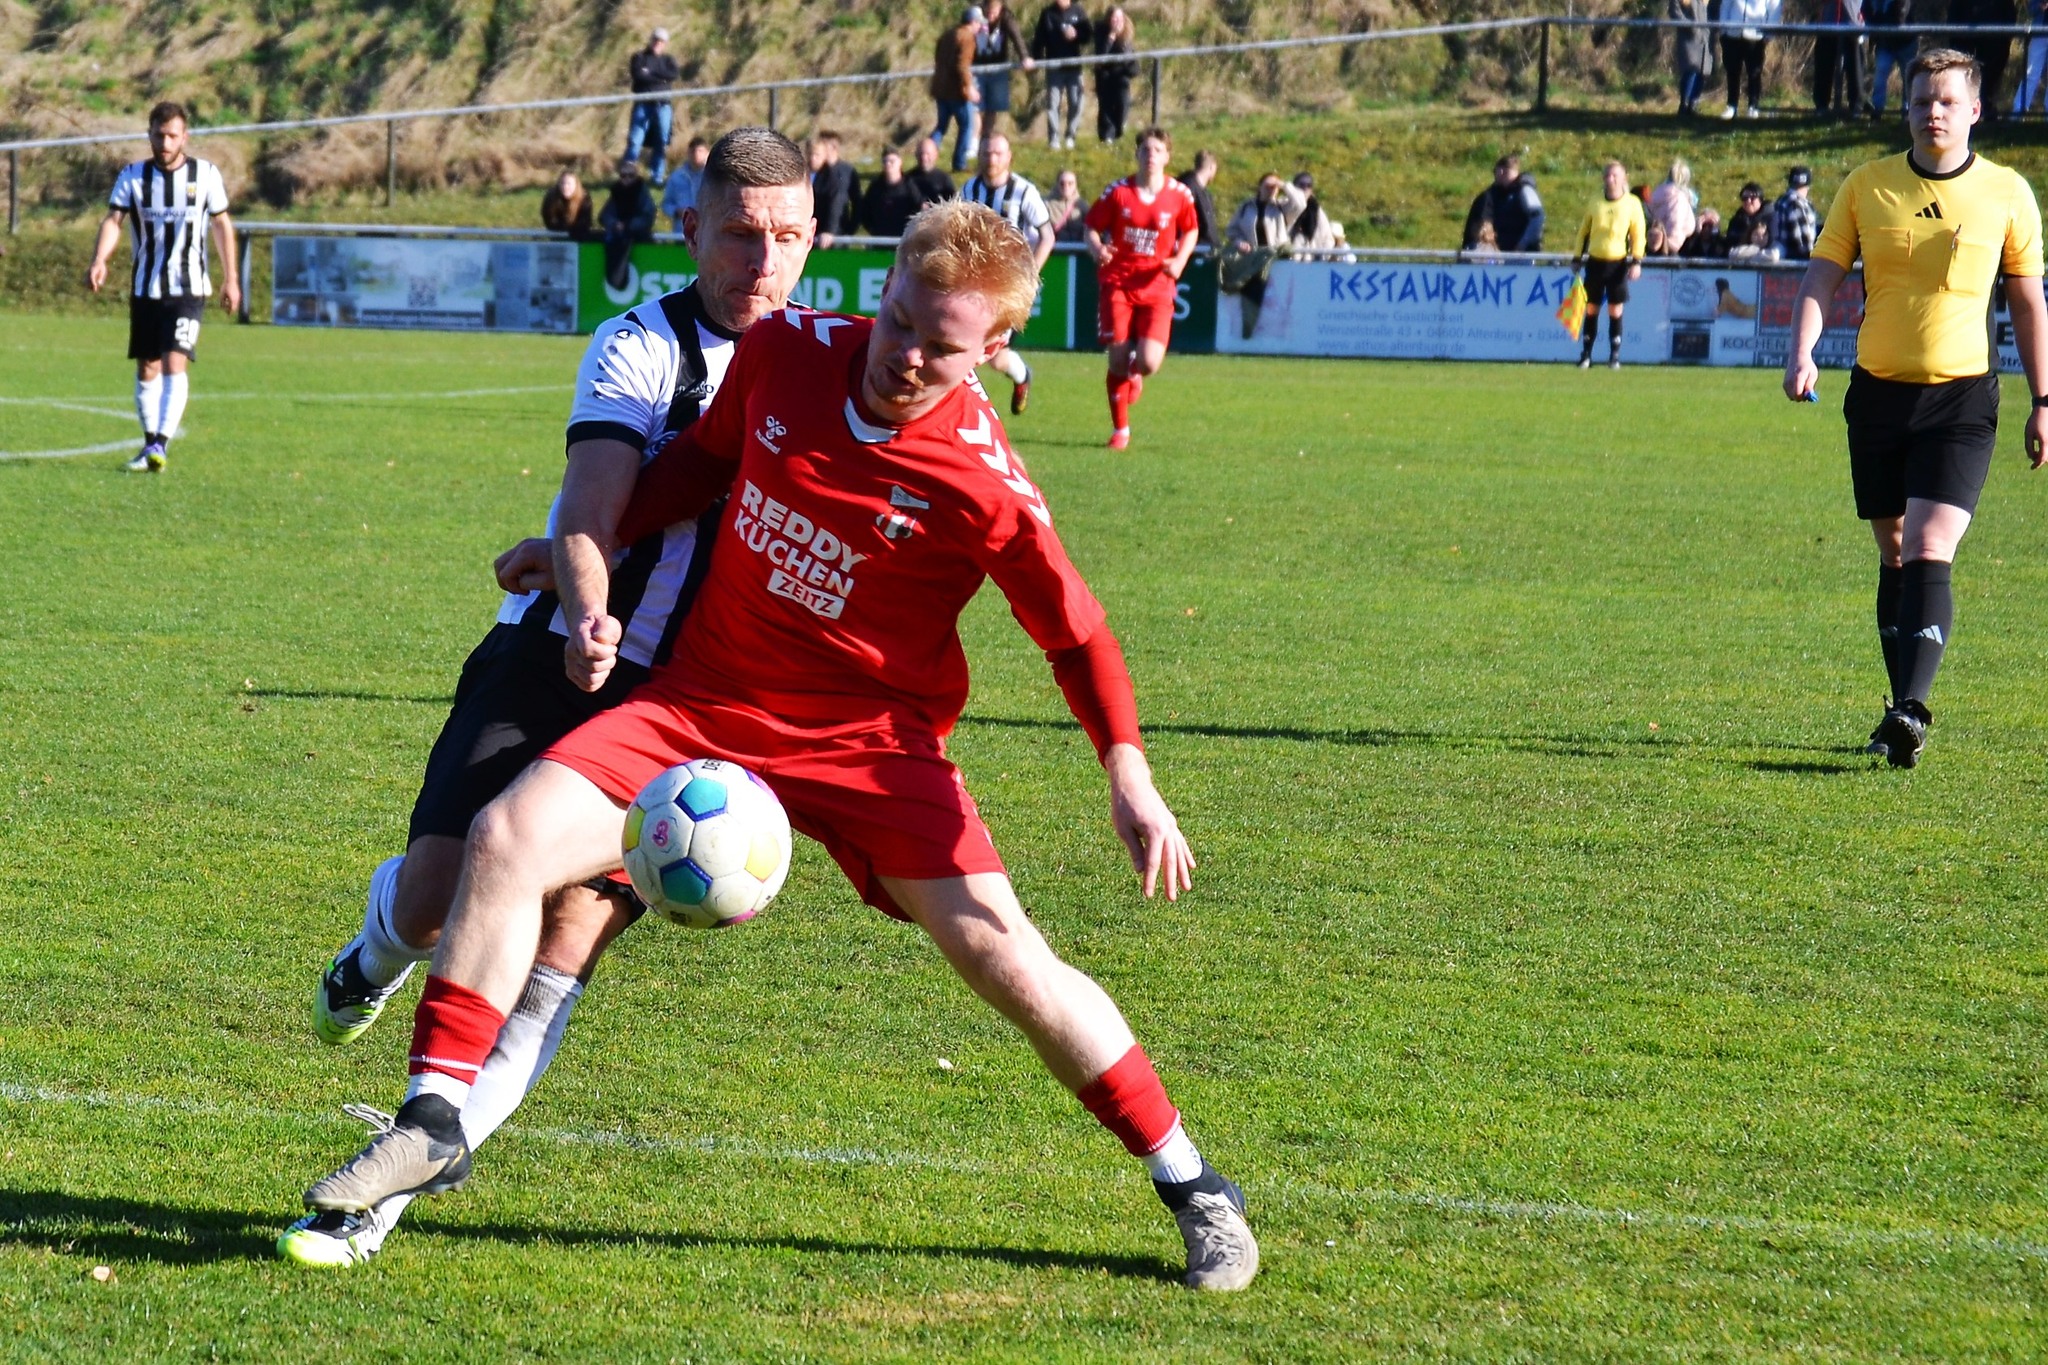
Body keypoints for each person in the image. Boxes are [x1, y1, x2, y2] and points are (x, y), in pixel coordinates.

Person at [293, 198, 1260, 1295]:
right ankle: (431, 1118)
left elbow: (1076, 636)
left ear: (993, 349)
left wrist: (1128, 774)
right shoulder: (785, 351)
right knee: (506, 836)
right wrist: (581, 549)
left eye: (940, 347)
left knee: (1010, 963)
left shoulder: (985, 486)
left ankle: (1194, 1185)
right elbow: (699, 467)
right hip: (704, 704)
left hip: (871, 744)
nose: (903, 356)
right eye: (899, 321)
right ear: (882, 289)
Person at [277, 127, 819, 1270]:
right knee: (438, 894)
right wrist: (587, 608)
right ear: (689, 230)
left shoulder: (827, 361)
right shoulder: (641, 345)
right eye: (738, 234)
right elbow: (591, 503)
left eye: (784, 237)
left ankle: (379, 1199)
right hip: (557, 652)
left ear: (812, 239)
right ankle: (374, 948)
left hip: (688, 704)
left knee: (567, 931)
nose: (761, 260)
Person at [1783, 47, 2048, 767]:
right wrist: (1802, 350)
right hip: (1877, 396)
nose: (1934, 112)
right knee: (1895, 550)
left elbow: (2028, 301)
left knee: (1931, 546)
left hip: (1961, 398)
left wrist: (2042, 398)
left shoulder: (2006, 193)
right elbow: (1822, 275)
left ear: (1975, 111)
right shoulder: (1868, 185)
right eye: (1922, 100)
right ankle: (1900, 709)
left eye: (1948, 101)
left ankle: (1912, 708)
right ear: (1906, 109)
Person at [86, 100, 239, 475]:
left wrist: (231, 278)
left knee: (174, 361)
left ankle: (160, 444)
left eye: (172, 136)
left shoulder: (205, 175)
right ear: (149, 135)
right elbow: (114, 220)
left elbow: (221, 224)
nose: (165, 143)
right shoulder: (133, 176)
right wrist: (100, 258)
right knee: (147, 367)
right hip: (146, 288)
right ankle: (150, 443)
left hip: (188, 288)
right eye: (159, 135)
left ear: (185, 137)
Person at [1085, 126, 1199, 449]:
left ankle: (1136, 370)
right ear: (1137, 154)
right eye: (1145, 149)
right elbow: (1091, 227)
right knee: (1117, 360)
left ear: (1167, 157)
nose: (1151, 155)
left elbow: (1191, 230)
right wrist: (1097, 249)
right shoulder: (1118, 192)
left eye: (1157, 150)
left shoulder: (1179, 194)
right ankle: (1120, 430)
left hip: (1157, 284)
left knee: (1149, 363)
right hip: (1118, 282)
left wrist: (1180, 260)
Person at [962, 132, 1055, 413]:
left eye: (997, 153)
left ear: (1009, 157)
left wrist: (1030, 275)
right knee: (966, 346)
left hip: (1009, 287)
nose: (992, 159)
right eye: (987, 153)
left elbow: (1047, 236)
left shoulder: (1024, 191)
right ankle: (961, 409)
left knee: (994, 357)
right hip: (976, 283)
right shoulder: (969, 189)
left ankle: (1022, 377)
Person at [1572, 160, 1646, 370]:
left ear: (1624, 178)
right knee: (1591, 308)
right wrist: (1577, 257)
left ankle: (1614, 355)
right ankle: (1586, 355)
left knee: (1615, 309)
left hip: (1618, 263)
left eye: (1615, 175)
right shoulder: (1596, 201)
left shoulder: (1632, 203)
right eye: (1607, 175)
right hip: (1595, 261)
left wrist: (1636, 261)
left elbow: (1638, 234)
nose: (1610, 179)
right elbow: (1584, 231)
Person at [1223, 172, 1308, 338]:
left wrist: (1284, 185)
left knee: (1274, 296)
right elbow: (1232, 230)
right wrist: (1239, 242)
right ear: (1259, 187)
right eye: (1268, 186)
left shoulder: (1282, 207)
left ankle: (1271, 334)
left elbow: (1301, 203)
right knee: (1249, 292)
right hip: (1252, 257)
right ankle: (1247, 332)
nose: (1271, 190)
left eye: (1274, 188)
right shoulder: (1246, 207)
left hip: (1275, 258)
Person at [1032, 0, 1093, 150]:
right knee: (1053, 104)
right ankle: (1054, 138)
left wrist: (1076, 35)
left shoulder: (1078, 11)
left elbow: (1088, 35)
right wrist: (1036, 60)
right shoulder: (1047, 13)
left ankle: (1070, 135)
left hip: (1074, 67)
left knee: (1077, 102)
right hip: (1054, 67)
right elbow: (1039, 39)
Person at [932, 7, 985, 175]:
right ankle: (959, 163)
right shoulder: (967, 37)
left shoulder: (948, 34)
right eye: (979, 23)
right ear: (973, 22)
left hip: (940, 88)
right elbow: (962, 65)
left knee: (941, 127)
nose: (980, 27)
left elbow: (938, 57)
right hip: (956, 91)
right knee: (967, 126)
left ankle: (926, 155)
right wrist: (969, 88)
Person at [624, 28, 680, 181]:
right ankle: (627, 175)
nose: (657, 43)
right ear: (651, 40)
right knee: (635, 140)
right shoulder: (639, 57)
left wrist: (650, 72)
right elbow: (638, 75)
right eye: (655, 40)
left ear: (665, 44)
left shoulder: (668, 60)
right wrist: (661, 77)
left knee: (661, 140)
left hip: (663, 105)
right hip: (643, 105)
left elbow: (673, 75)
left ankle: (657, 176)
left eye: (661, 41)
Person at [975, 0, 1033, 144]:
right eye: (988, 13)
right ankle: (974, 141)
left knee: (993, 106)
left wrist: (1024, 56)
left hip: (998, 68)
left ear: (1000, 9)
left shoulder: (1006, 17)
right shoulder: (976, 14)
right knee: (975, 107)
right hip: (977, 67)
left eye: (994, 13)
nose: (991, 16)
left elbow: (1016, 37)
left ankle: (986, 138)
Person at [1461, 155, 1545, 254]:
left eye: (1494, 172)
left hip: (1521, 255)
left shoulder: (1524, 190)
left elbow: (1537, 217)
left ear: (1500, 171)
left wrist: (1522, 245)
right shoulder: (1505, 193)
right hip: (1511, 253)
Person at [600, 158, 658, 290]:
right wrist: (615, 224)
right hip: (617, 238)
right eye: (623, 175)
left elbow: (648, 217)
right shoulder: (616, 192)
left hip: (638, 238)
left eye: (630, 175)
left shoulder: (642, 193)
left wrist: (627, 225)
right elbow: (604, 215)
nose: (626, 179)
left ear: (636, 176)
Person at [1951, 0, 2018, 114]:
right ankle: (1964, 108)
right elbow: (1955, 11)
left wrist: (2007, 35)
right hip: (1966, 36)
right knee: (1964, 74)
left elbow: (2009, 11)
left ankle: (1986, 107)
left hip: (1995, 39)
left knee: (1990, 76)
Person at [1719, 0, 1782, 118]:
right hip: (1733, 33)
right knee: (1732, 70)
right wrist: (1724, 29)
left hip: (1756, 34)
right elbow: (1725, 5)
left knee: (1754, 72)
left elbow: (1774, 9)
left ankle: (1753, 106)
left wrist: (1769, 34)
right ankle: (1732, 105)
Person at [1814, 0, 1868, 116]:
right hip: (1828, 22)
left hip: (1852, 23)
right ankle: (1821, 106)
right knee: (1823, 66)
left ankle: (1856, 106)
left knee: (1855, 67)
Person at [808, 130, 861, 247]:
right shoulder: (817, 171)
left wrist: (846, 230)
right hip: (816, 231)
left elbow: (840, 202)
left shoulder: (843, 172)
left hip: (834, 235)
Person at [1094, 7, 1139, 143]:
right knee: (1106, 107)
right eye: (1114, 18)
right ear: (1109, 20)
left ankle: (1119, 132)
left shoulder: (1127, 36)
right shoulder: (1101, 34)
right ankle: (1107, 136)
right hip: (1105, 76)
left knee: (1122, 104)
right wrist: (1110, 38)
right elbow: (1101, 56)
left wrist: (1131, 68)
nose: (1117, 22)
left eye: (1120, 18)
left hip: (1121, 77)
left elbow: (1131, 60)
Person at [1869, 0, 1920, 111]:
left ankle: (1908, 109)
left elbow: (1902, 18)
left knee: (1909, 77)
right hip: (1885, 42)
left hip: (1907, 42)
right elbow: (1871, 11)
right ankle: (1877, 108)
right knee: (1880, 77)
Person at [860, 148, 923, 237]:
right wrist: (873, 230)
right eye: (885, 162)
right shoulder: (875, 187)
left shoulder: (910, 187)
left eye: (892, 161)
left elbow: (919, 210)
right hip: (879, 239)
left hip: (903, 238)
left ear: (900, 162)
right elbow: (865, 211)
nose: (888, 164)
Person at [1669, 0, 1715, 115]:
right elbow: (1675, 13)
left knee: (1702, 72)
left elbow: (1713, 12)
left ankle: (1693, 104)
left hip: (1705, 37)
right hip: (1689, 38)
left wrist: (1711, 29)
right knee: (1691, 69)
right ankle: (1684, 105)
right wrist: (1691, 27)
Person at [661, 136, 712, 233]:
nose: (696, 154)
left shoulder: (714, 177)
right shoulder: (676, 177)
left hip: (708, 231)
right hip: (681, 231)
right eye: (693, 151)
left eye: (700, 151)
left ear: (708, 153)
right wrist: (676, 212)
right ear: (688, 153)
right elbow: (666, 204)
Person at [1648, 158, 1699, 253]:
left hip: (1653, 244)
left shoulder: (1657, 195)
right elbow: (1675, 226)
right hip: (1669, 250)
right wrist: (1672, 246)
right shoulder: (1678, 199)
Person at [1773, 164, 1818, 260]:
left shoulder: (1781, 200)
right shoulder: (1797, 204)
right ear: (1808, 186)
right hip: (1796, 259)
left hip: (1782, 256)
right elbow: (1804, 241)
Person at [1177, 150, 1220, 252]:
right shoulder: (1189, 187)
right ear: (1212, 167)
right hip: (1195, 248)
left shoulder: (1200, 190)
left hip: (1203, 246)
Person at [1288, 172, 1340, 251]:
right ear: (1294, 187)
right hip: (1289, 252)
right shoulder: (1285, 205)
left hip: (1311, 253)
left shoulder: (1316, 209)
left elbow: (1327, 237)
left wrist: (1322, 254)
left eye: (1309, 185)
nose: (1305, 188)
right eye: (1302, 185)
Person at [2014, 0, 2048, 111]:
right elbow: (2031, 8)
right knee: (2030, 74)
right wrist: (2041, 6)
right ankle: (2018, 112)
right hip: (2040, 33)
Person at [541, 170, 595, 239]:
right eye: (562, 183)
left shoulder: (584, 198)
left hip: (578, 235)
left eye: (569, 184)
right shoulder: (551, 197)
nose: (565, 187)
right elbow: (549, 219)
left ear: (576, 185)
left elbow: (585, 221)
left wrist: (575, 230)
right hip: (558, 234)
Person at [908, 136, 957, 204]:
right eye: (921, 153)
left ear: (936, 155)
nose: (924, 158)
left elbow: (953, 202)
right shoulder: (908, 179)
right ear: (916, 155)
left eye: (928, 154)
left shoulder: (944, 179)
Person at [1049, 167, 1089, 242]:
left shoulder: (1082, 206)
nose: (1066, 187)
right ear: (1057, 184)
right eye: (1062, 183)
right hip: (1055, 247)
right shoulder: (1045, 205)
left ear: (1076, 185)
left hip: (1079, 247)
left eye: (1070, 183)